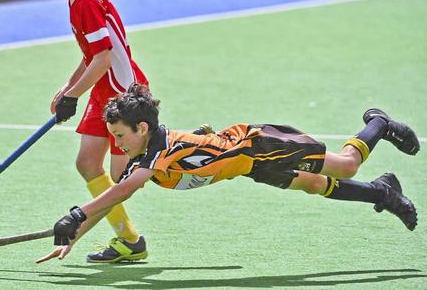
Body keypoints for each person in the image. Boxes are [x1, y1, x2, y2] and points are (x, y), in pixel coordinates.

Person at [38, 84, 419, 262]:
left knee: (346, 165)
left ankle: (379, 123)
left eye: (119, 136)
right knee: (315, 186)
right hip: (250, 167)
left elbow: (123, 192)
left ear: (141, 128)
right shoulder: (142, 156)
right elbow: (114, 197)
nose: (117, 145)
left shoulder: (161, 150)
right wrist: (75, 233)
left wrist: (76, 214)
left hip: (262, 145)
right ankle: (382, 192)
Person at [33, 0, 150, 263]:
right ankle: (129, 240)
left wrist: (73, 96)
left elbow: (102, 59)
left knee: (121, 177)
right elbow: (92, 53)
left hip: (123, 97)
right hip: (102, 91)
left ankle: (184, 163)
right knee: (87, 163)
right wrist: (68, 89)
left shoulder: (86, 2)